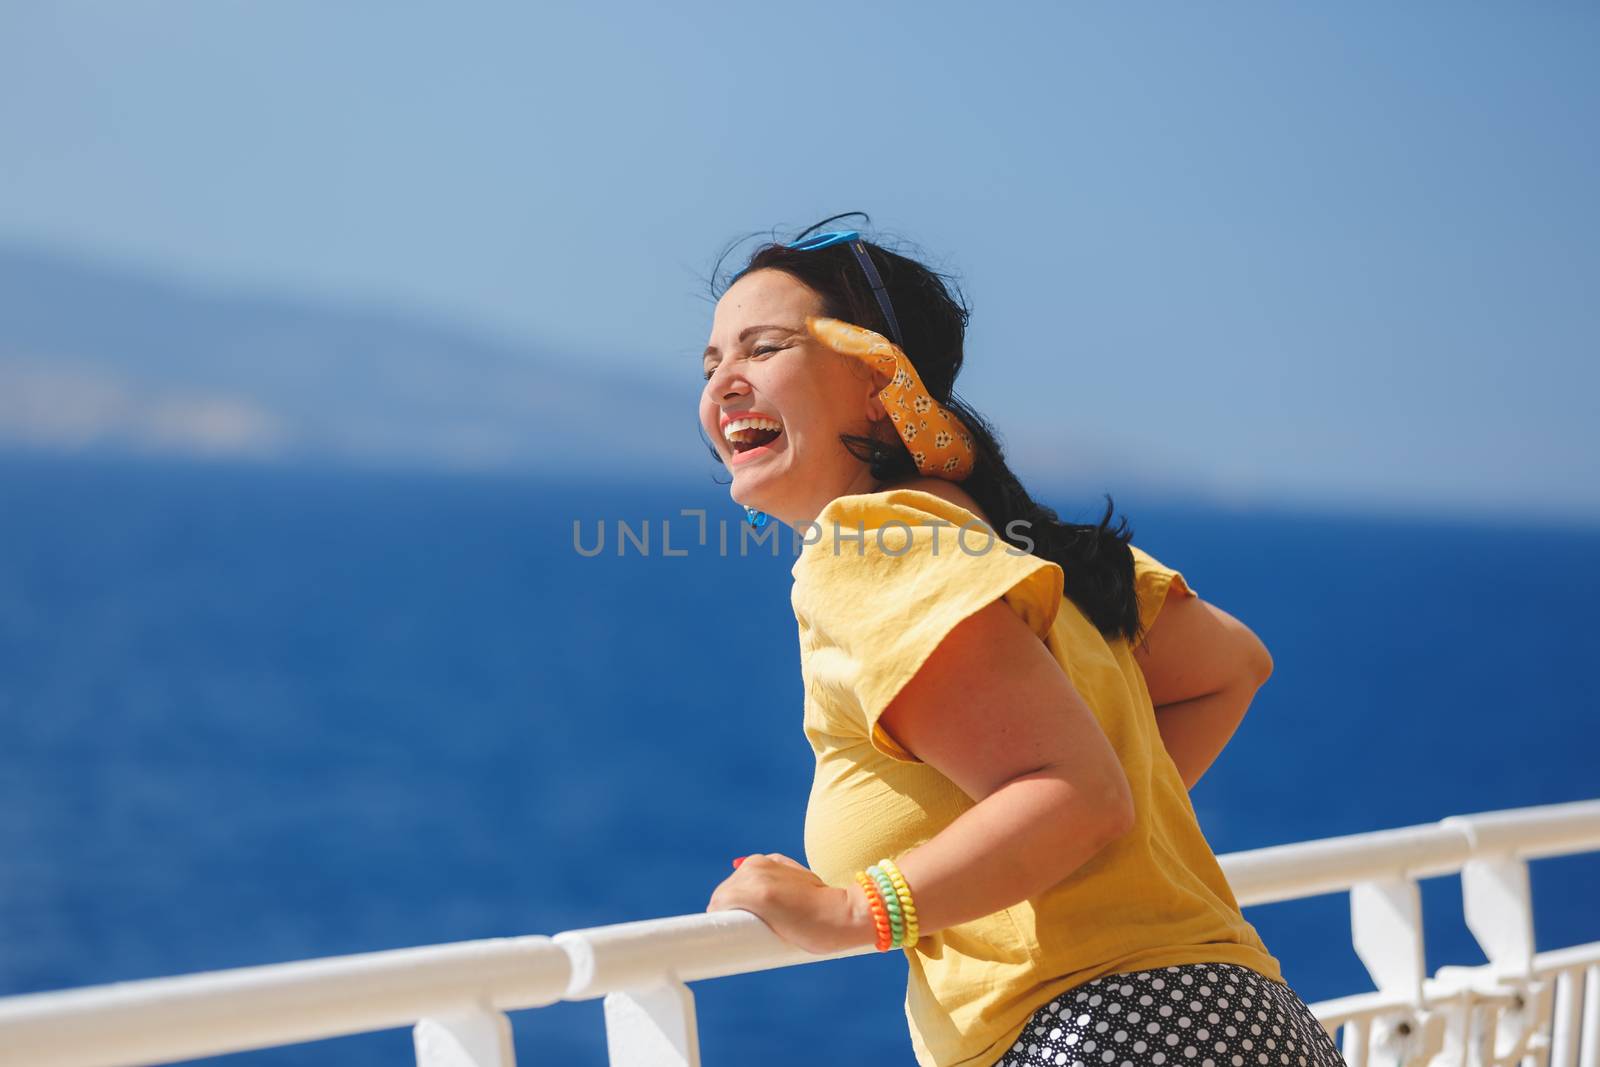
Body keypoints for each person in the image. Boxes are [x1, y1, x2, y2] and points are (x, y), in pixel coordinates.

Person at [700, 214, 1346, 1067]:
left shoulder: (871, 542)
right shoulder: (1022, 546)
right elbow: (1230, 665)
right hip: (1243, 1018)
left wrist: (852, 912)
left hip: (1103, 1037)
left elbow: (1078, 793)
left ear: (877, 383)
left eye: (764, 348)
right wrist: (1047, 840)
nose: (725, 383)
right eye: (711, 364)